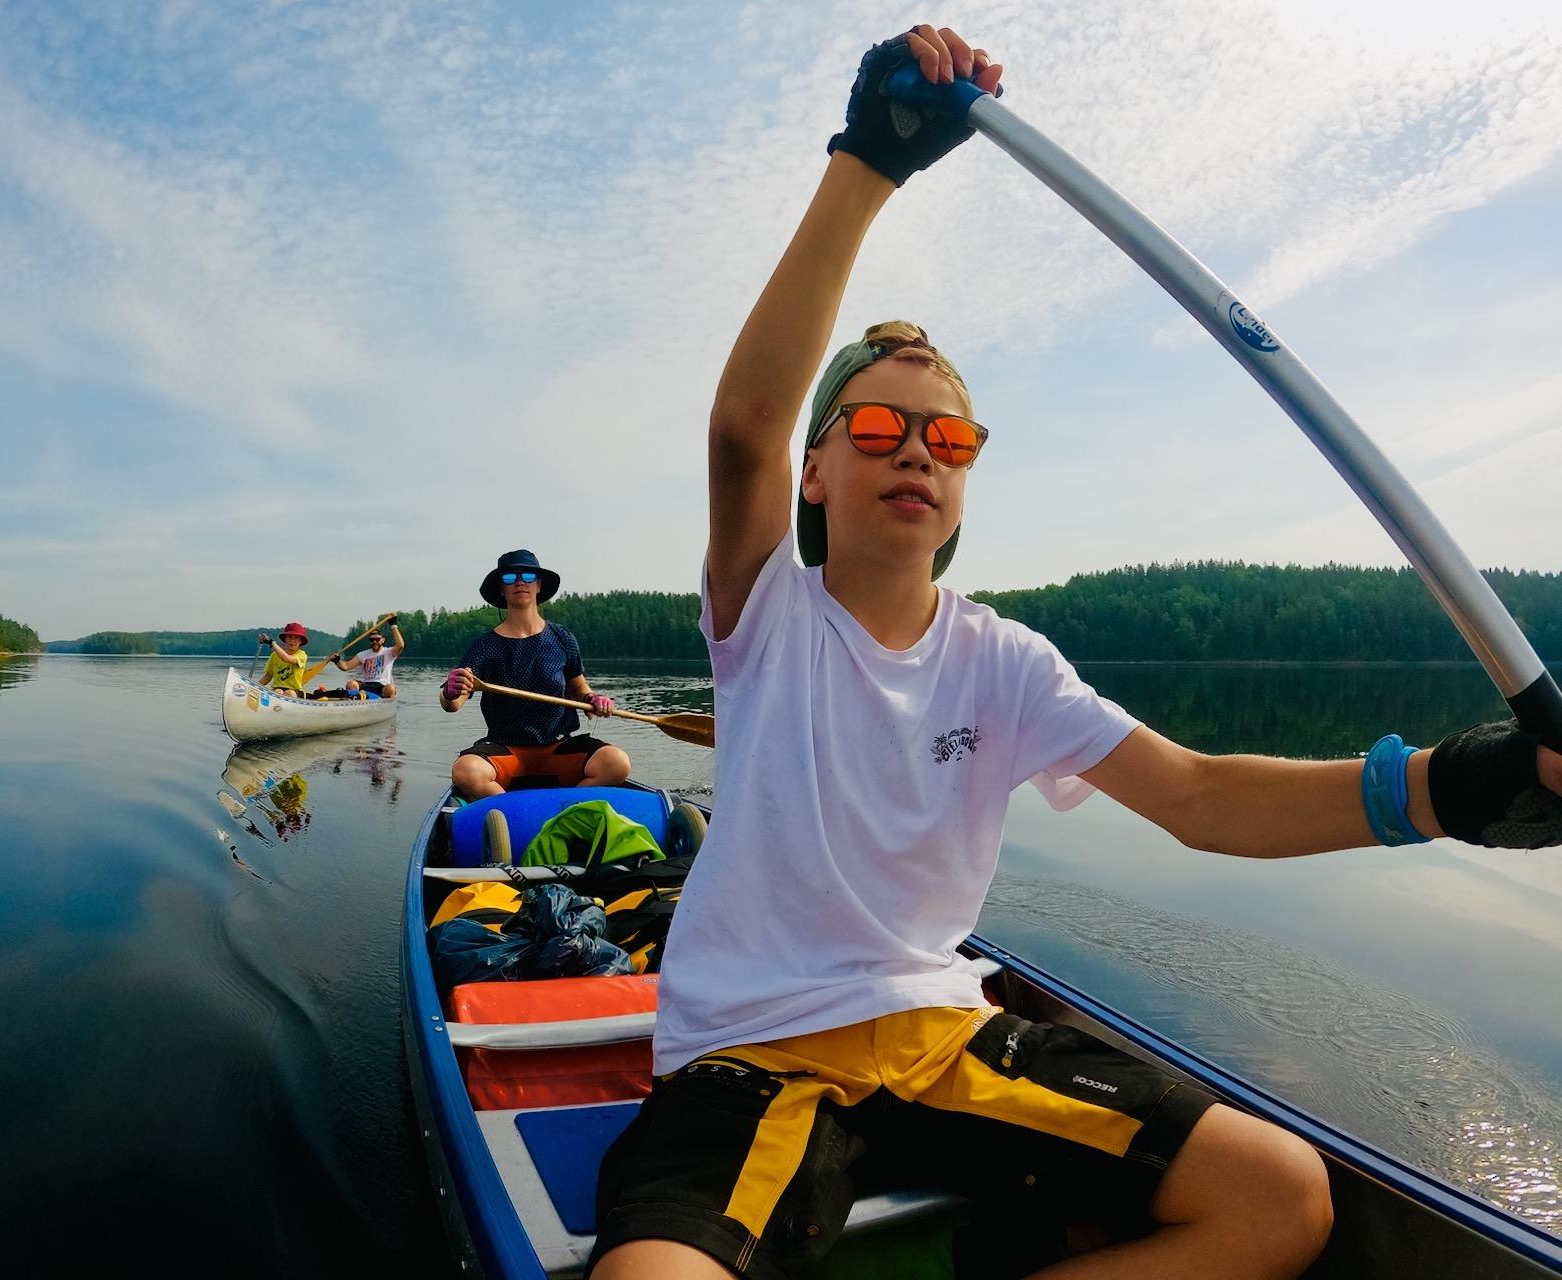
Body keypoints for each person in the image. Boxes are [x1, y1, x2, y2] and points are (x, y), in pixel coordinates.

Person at [589, 24, 1562, 1280]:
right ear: (815, 470)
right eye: (878, 425)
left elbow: (1202, 797)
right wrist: (869, 161)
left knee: (1280, 1197)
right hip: (751, 1054)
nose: (918, 448)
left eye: (949, 437)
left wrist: (1456, 788)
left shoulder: (1006, 661)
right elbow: (744, 424)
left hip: (943, 1038)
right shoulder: (766, 611)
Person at [440, 549, 631, 798]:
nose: (520, 582)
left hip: (558, 748)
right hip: (506, 751)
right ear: (501, 589)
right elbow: (452, 704)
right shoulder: (484, 646)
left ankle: (567, 808)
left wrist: (592, 699)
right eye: (510, 577)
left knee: (617, 763)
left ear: (539, 585)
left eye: (528, 576)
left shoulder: (562, 639)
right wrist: (450, 691)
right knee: (466, 771)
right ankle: (512, 814)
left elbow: (578, 688)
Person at [335, 617, 404, 697]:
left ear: (383, 640)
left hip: (382, 686)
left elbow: (400, 645)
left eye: (377, 639)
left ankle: (384, 699)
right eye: (372, 640)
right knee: (351, 684)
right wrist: (336, 661)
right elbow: (346, 666)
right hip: (366, 684)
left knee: (390, 688)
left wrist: (393, 625)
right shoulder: (363, 655)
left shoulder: (389, 652)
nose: (374, 642)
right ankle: (354, 699)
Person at [254, 623, 310, 697]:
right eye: (290, 637)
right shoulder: (274, 655)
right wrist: (254, 687)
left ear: (300, 641)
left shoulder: (302, 655)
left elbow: (287, 659)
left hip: (295, 690)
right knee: (278, 692)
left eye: (296, 638)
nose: (292, 641)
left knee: (289, 693)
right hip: (277, 689)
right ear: (285, 639)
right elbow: (268, 676)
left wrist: (271, 643)